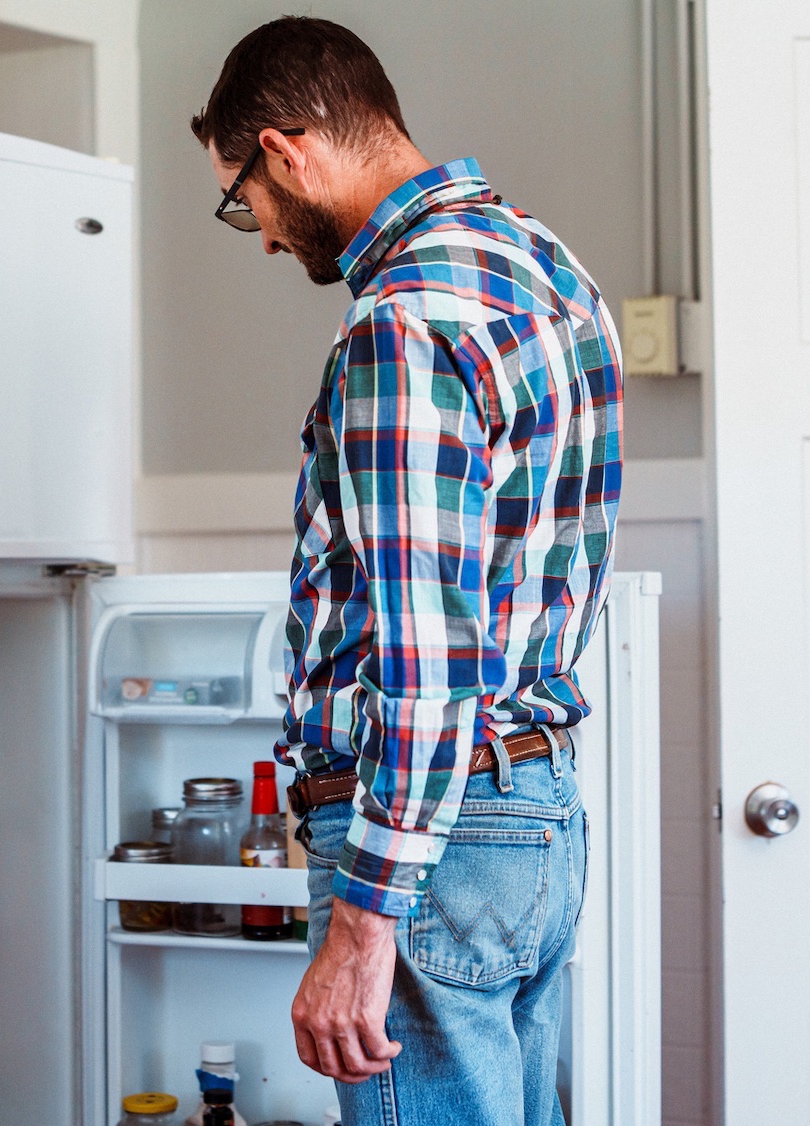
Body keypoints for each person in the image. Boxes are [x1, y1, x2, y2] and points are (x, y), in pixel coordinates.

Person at [189, 18, 623, 1126]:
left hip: (427, 838)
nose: (263, 237)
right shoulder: (547, 266)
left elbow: (427, 655)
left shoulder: (401, 325)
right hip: (531, 808)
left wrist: (362, 922)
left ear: (286, 150)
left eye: (244, 199)